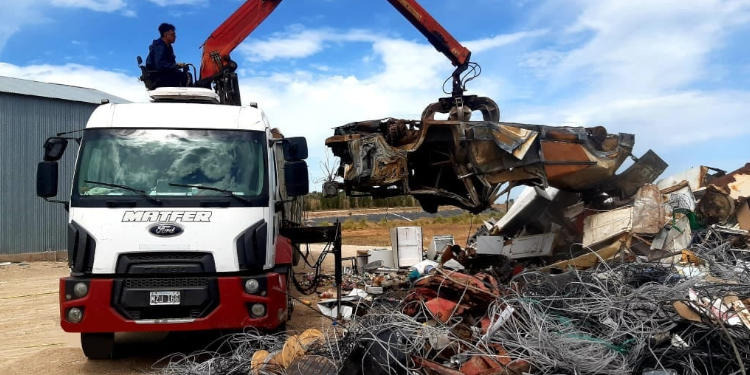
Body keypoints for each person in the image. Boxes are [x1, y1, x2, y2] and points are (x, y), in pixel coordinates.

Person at [145, 23, 189, 88]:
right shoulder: (159, 46)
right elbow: (160, 65)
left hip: (164, 75)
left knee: (186, 74)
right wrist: (176, 65)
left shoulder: (168, 47)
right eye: (172, 35)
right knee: (186, 76)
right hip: (157, 78)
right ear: (165, 35)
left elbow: (169, 65)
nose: (175, 37)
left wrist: (179, 66)